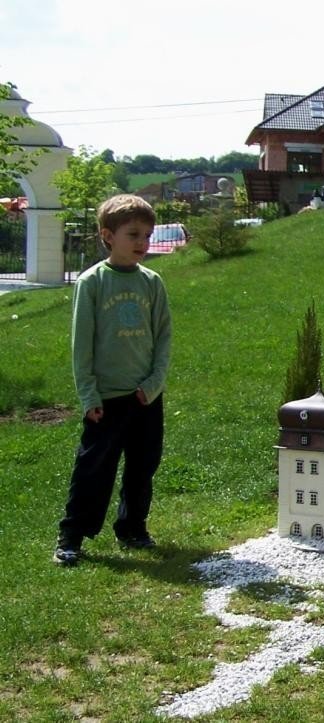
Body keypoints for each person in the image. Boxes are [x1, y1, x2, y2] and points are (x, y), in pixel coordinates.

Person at [54, 195, 172, 565]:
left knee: (142, 467)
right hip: (105, 399)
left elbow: (163, 338)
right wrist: (89, 396)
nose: (142, 242)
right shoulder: (92, 283)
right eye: (133, 234)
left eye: (147, 235)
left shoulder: (152, 283)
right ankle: (72, 535)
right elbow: (81, 346)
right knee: (93, 469)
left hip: (145, 398)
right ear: (108, 235)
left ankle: (133, 528)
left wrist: (152, 385)